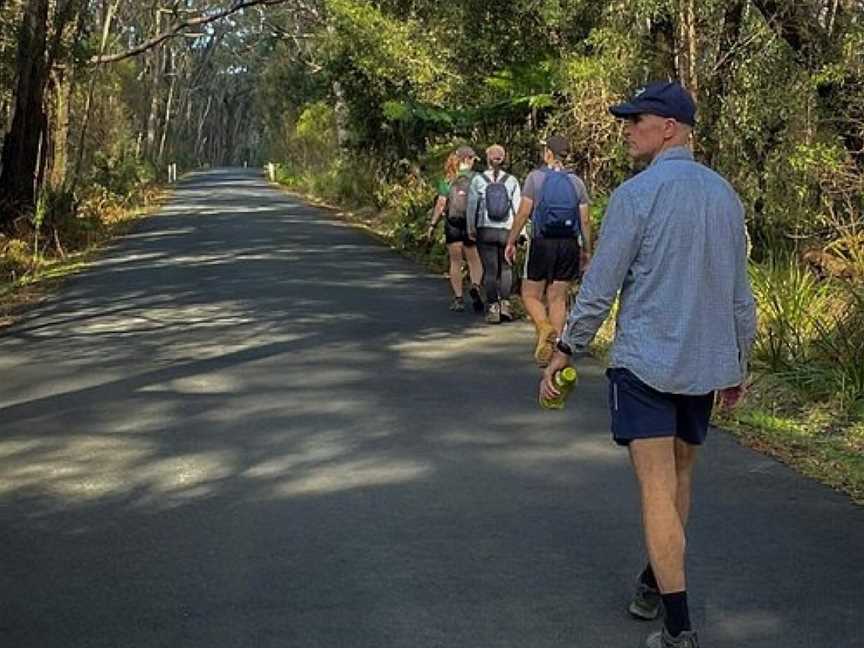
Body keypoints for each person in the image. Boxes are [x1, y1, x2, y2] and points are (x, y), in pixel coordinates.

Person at [541, 81, 757, 648]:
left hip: (644, 366)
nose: (629, 128)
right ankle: (653, 580)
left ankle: (679, 629)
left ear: (670, 128)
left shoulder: (638, 196)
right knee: (681, 477)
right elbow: (740, 291)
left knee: (657, 490)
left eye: (638, 120)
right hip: (704, 365)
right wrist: (739, 361)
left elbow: (601, 287)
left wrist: (565, 348)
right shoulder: (724, 194)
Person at [505, 135, 592, 365]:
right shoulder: (577, 182)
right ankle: (555, 350)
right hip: (569, 244)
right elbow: (585, 220)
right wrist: (587, 250)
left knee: (530, 294)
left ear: (549, 154)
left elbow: (524, 212)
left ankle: (544, 328)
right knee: (558, 299)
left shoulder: (536, 178)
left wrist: (511, 241)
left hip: (542, 242)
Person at [467, 144, 522, 324]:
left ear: (487, 158)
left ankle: (493, 307)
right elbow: (518, 208)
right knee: (506, 268)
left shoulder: (478, 180)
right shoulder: (512, 181)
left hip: (486, 230)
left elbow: (472, 207)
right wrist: (521, 232)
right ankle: (505, 304)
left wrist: (471, 228)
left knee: (490, 270)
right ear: (503, 158)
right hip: (507, 231)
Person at [427, 147, 484, 312]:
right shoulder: (478, 178)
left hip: (452, 223)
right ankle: (475, 286)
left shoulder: (448, 178)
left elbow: (441, 204)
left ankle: (458, 298)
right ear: (468, 159)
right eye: (473, 159)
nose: (474, 162)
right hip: (471, 224)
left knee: (455, 261)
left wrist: (432, 224)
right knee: (474, 259)